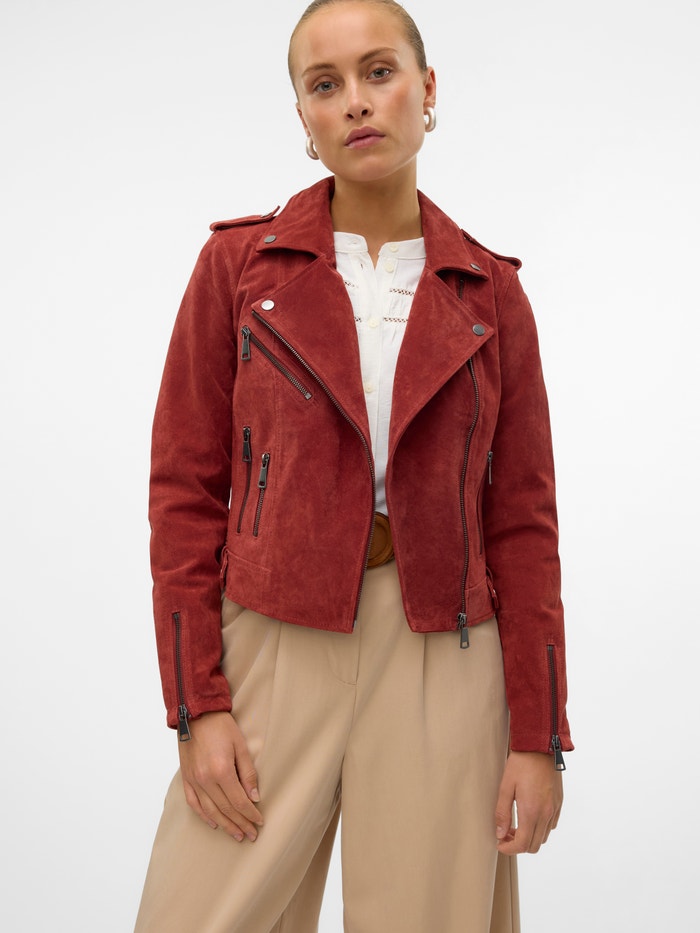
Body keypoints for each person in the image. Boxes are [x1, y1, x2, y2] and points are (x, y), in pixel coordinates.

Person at [135, 1, 573, 930]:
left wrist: (538, 734)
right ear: (303, 115)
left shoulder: (492, 292)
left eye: (380, 72)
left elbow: (523, 522)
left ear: (428, 88)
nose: (356, 103)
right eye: (324, 84)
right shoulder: (238, 268)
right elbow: (183, 493)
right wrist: (196, 704)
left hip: (445, 654)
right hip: (271, 637)